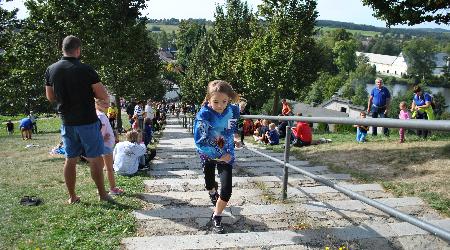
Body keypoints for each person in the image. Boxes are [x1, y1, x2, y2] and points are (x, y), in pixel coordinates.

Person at [45, 35, 112, 204]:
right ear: (78, 50)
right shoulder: (86, 69)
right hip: (88, 121)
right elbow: (103, 95)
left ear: (63, 49)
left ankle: (72, 196)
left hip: (67, 122)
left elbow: (50, 97)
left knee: (70, 159)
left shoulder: (51, 69)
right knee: (95, 159)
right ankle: (102, 194)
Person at [193, 80, 241, 234]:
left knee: (227, 189)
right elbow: (200, 140)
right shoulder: (204, 114)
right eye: (216, 102)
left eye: (224, 101)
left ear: (229, 100)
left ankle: (217, 215)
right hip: (208, 152)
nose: (220, 106)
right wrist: (219, 155)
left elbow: (231, 128)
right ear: (208, 99)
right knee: (209, 183)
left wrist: (236, 138)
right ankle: (212, 193)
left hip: (226, 152)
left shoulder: (233, 110)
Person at [96, 99, 124, 195]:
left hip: (103, 145)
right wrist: (102, 138)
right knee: (109, 168)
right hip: (106, 146)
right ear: (97, 103)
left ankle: (100, 188)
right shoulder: (101, 116)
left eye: (108, 103)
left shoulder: (97, 114)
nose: (107, 105)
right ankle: (113, 188)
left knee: (102, 168)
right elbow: (99, 131)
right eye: (104, 103)